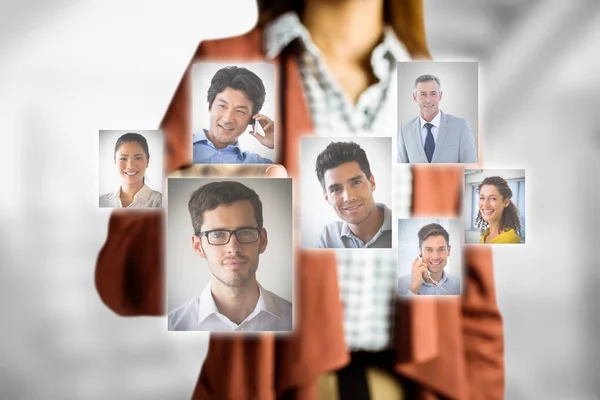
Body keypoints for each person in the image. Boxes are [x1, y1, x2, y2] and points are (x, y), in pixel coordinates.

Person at [96, 1, 504, 399]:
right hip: (271, 384)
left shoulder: (439, 97)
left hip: (413, 385)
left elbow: (476, 303)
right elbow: (127, 279)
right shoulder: (231, 66)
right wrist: (198, 196)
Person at [168, 181, 292, 332]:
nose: (233, 248)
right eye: (218, 234)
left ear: (263, 240)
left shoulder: (296, 320)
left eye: (245, 232)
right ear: (197, 246)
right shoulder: (174, 327)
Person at [315, 141, 391, 249]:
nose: (348, 198)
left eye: (356, 183)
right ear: (327, 197)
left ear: (372, 182)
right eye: (336, 189)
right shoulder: (327, 237)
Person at [193, 66, 275, 164]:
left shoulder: (259, 165)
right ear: (210, 106)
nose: (227, 119)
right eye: (222, 106)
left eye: (240, 111)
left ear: (252, 119)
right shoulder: (177, 147)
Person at [397, 74, 478, 164]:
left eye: (433, 94)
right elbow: (401, 166)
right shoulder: (405, 129)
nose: (428, 100)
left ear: (440, 96)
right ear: (415, 97)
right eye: (423, 94)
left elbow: (470, 164)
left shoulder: (460, 126)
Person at [99, 132, 162, 208]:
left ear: (147, 161)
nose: (130, 166)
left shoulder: (161, 202)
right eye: (123, 158)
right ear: (115, 161)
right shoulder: (102, 202)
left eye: (138, 158)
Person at [397, 223, 461, 295]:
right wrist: (414, 288)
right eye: (429, 250)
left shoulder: (459, 285)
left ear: (448, 251)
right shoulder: (400, 284)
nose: (435, 257)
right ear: (420, 251)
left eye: (441, 249)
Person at [477, 176, 522, 244]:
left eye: (493, 198)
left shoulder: (509, 240)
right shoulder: (485, 235)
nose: (485, 204)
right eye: (482, 198)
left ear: (506, 202)